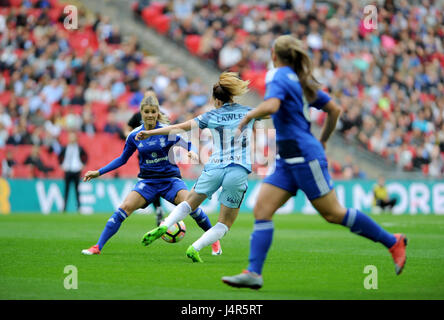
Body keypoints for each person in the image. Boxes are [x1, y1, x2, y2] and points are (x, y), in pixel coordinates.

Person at [221, 35, 407, 290]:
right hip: (288, 159)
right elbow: (334, 110)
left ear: (274, 54)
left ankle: (392, 241)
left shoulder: (277, 75)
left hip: (303, 157)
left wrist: (250, 115)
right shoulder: (301, 80)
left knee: (334, 214)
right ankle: (253, 272)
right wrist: (324, 140)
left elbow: (273, 105)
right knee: (262, 210)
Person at [136, 72, 255, 263]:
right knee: (224, 223)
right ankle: (196, 247)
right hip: (238, 170)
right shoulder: (248, 111)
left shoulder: (211, 115)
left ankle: (166, 224)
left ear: (216, 100)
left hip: (215, 167)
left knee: (189, 203)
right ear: (232, 96)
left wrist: (151, 132)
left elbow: (180, 127)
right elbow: (273, 109)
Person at [81, 95, 220, 255]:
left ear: (157, 113)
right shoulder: (134, 135)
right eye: (146, 111)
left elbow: (188, 144)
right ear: (141, 112)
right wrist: (99, 172)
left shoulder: (167, 131)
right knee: (124, 208)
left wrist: (192, 153)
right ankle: (98, 247)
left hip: (171, 181)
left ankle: (213, 239)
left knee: (192, 205)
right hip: (148, 182)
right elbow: (122, 159)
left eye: (153, 111)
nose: (150, 114)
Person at [125, 89, 166, 226]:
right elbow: (128, 128)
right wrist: (130, 137)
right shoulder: (138, 115)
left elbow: (171, 135)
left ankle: (156, 206)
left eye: (152, 97)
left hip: (161, 156)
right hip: (144, 155)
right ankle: (158, 207)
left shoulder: (160, 116)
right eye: (147, 97)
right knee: (151, 181)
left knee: (159, 182)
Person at [58, 131, 88, 212]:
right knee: (66, 190)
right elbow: (59, 156)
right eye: (70, 137)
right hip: (67, 170)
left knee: (77, 190)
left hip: (76, 170)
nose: (72, 139)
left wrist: (83, 164)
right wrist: (61, 164)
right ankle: (64, 208)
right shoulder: (65, 148)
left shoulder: (79, 148)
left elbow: (86, 156)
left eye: (73, 137)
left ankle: (78, 207)